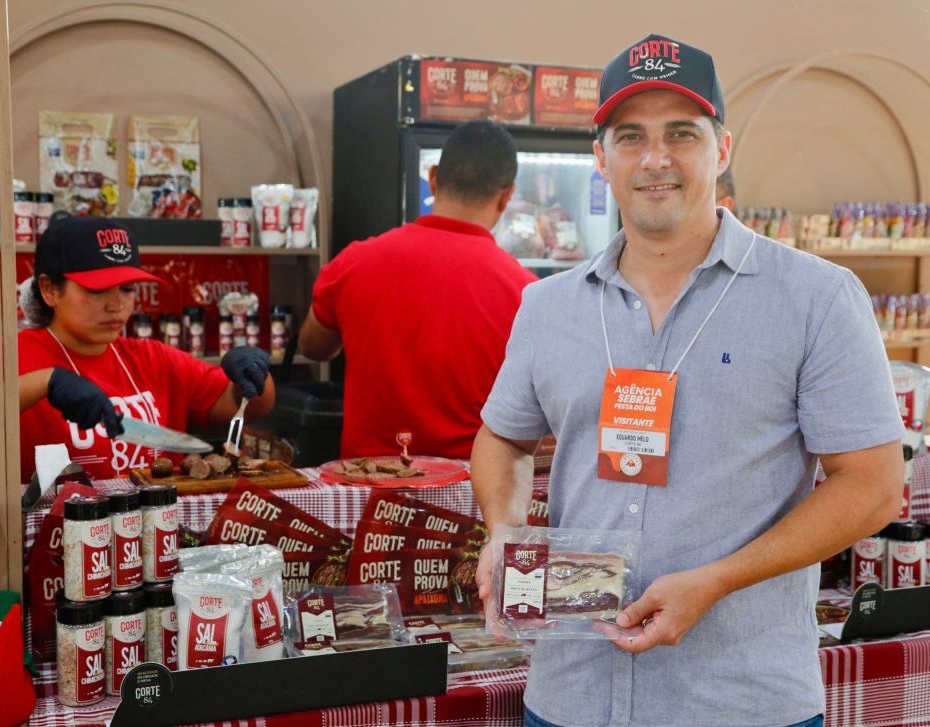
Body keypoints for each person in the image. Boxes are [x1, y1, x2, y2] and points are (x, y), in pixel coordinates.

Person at [472, 34, 902, 727]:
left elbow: (876, 486)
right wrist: (503, 530)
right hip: (572, 695)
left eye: (682, 133)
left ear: (722, 149)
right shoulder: (546, 306)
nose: (656, 159)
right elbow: (503, 441)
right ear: (601, 159)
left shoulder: (816, 296)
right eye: (631, 136)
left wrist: (717, 581)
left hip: (742, 698)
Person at [0, 215, 275, 481]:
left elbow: (248, 405)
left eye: (127, 289)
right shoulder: (14, 355)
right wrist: (44, 383)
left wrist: (253, 371)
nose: (117, 305)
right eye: (97, 291)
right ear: (50, 289)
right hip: (57, 554)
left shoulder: (152, 358)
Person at [298, 120, 537, 459]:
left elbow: (313, 346)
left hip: (368, 488)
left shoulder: (354, 262)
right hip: (470, 492)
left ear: (434, 178)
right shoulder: (527, 292)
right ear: (507, 196)